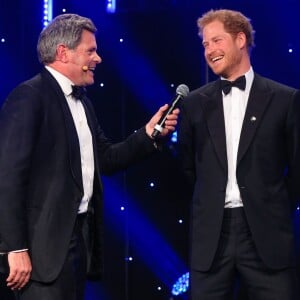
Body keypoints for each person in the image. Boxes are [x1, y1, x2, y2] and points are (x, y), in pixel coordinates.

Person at [0, 13, 179, 300]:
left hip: (77, 244)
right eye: (91, 51)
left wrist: (148, 135)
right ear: (63, 53)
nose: (98, 59)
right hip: (39, 251)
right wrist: (15, 247)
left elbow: (105, 158)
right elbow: (7, 177)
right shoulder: (29, 97)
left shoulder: (83, 102)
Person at [178, 9, 300, 300]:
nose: (210, 50)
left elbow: (296, 170)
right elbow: (187, 167)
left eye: (216, 41)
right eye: (205, 44)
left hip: (266, 235)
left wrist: (273, 205)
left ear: (240, 39)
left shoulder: (285, 99)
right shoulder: (195, 104)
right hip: (212, 237)